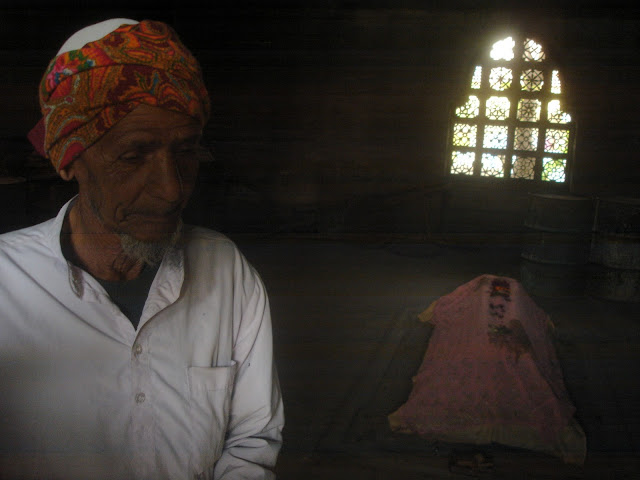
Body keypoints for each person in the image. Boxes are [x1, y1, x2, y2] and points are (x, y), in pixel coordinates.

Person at [0, 19, 284, 479]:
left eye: (186, 151)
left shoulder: (228, 272)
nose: (172, 190)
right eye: (134, 156)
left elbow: (252, 443)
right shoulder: (6, 288)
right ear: (71, 158)